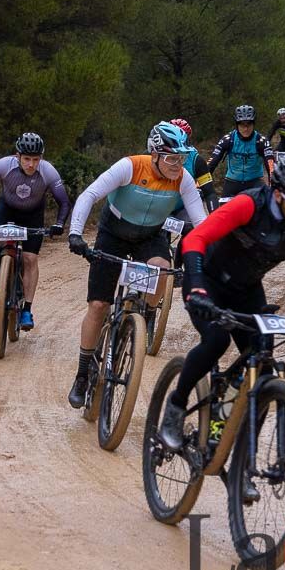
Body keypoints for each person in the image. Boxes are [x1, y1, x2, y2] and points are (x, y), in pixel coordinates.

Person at [157, 153, 285, 489]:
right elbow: (195, 239)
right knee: (217, 340)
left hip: (246, 289)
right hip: (205, 279)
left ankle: (239, 460)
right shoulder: (249, 205)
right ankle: (175, 409)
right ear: (278, 194)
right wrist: (197, 290)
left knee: (262, 367)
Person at [65, 122, 208, 409]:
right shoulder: (129, 166)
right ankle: (82, 373)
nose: (177, 165)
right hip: (113, 234)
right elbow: (89, 195)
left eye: (181, 158)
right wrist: (76, 234)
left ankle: (145, 315)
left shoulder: (183, 179)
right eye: (171, 158)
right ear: (154, 154)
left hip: (150, 237)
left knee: (162, 271)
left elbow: (203, 223)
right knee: (98, 306)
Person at [0, 132, 69, 331]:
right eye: (27, 159)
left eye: (36, 159)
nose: (31, 164)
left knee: (30, 259)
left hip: (33, 214)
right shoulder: (3, 165)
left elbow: (63, 201)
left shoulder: (48, 171)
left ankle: (26, 309)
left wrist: (59, 224)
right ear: (17, 156)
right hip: (7, 209)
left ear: (41, 158)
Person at [207, 105, 275, 200]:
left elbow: (271, 167)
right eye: (242, 125)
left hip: (254, 182)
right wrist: (199, 185)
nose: (246, 129)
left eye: (249, 124)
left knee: (267, 207)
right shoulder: (228, 140)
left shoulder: (262, 141)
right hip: (232, 183)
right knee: (224, 213)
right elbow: (211, 163)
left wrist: (273, 187)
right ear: (237, 124)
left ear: (253, 124)